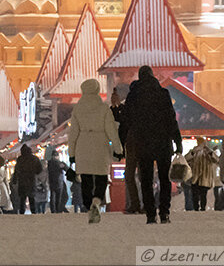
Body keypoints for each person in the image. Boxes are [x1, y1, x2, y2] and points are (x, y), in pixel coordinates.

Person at [120, 65, 182, 224]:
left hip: (142, 142)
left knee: (146, 179)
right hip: (163, 142)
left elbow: (125, 121)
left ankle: (150, 214)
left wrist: (122, 143)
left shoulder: (133, 96)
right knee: (164, 178)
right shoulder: (162, 94)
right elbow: (170, 119)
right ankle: (164, 213)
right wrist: (178, 141)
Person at [68, 78, 121, 224]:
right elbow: (111, 130)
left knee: (86, 180)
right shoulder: (104, 108)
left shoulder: (78, 109)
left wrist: (71, 154)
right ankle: (96, 201)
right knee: (101, 178)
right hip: (101, 145)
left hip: (82, 145)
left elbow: (73, 134)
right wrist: (118, 148)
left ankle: (88, 205)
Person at [112, 86, 141, 215]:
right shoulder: (143, 107)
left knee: (130, 176)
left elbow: (120, 119)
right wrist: (116, 105)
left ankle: (135, 204)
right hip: (141, 146)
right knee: (141, 176)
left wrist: (116, 106)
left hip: (132, 146)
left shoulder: (131, 107)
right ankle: (143, 203)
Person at [184, 136, 218, 212]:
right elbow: (185, 159)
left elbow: (216, 160)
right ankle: (196, 207)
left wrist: (210, 152)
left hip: (204, 177)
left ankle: (202, 208)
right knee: (195, 194)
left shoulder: (208, 152)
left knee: (203, 194)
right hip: (195, 176)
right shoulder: (194, 151)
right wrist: (193, 152)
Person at [47, 147, 68, 214]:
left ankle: (53, 210)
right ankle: (58, 209)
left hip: (51, 182)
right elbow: (67, 169)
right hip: (59, 182)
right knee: (59, 197)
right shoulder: (59, 163)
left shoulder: (49, 163)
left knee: (52, 197)